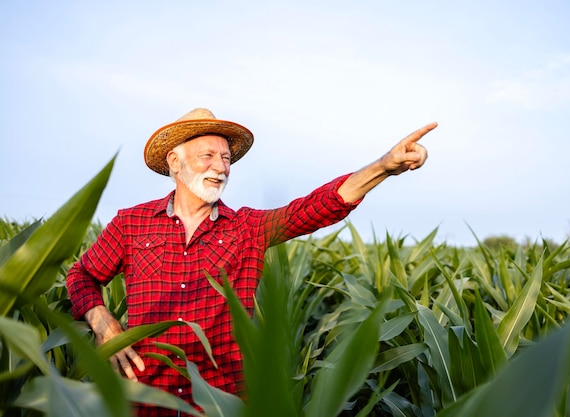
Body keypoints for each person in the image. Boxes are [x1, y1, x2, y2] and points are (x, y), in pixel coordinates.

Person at [66, 107, 437, 416]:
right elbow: (82, 274)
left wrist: (383, 167)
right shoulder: (132, 223)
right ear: (175, 162)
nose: (221, 167)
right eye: (208, 156)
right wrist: (102, 322)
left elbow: (315, 208)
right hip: (144, 400)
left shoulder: (246, 228)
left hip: (222, 402)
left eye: (227, 158)